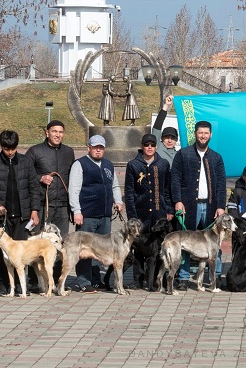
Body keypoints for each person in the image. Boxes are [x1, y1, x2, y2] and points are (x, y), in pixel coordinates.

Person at [0, 130, 42, 295]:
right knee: (2, 252)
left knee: (20, 251)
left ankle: (20, 284)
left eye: (13, 148)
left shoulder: (26, 162)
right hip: (1, 216)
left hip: (22, 216)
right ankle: (3, 283)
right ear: (1, 146)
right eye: (7, 149)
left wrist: (34, 210)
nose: (10, 152)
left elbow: (34, 188)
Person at [170, 121, 227, 289]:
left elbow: (221, 184)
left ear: (210, 135)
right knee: (187, 243)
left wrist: (220, 206)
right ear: (195, 134)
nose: (203, 136)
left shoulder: (216, 157)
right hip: (188, 206)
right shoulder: (183, 154)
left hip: (210, 207)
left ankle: (216, 276)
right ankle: (183, 277)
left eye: (206, 133)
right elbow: (175, 179)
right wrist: (178, 201)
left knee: (214, 244)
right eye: (200, 133)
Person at [67, 134, 124, 291]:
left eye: (101, 147)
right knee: (84, 250)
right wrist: (76, 211)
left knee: (100, 250)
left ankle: (95, 279)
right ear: (89, 148)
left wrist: (118, 201)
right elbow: (74, 189)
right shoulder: (80, 164)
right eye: (95, 147)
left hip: (105, 215)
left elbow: (114, 186)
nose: (98, 150)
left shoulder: (108, 165)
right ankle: (84, 281)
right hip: (87, 215)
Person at [26, 119, 75, 236]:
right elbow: (24, 174)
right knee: (40, 240)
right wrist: (40, 178)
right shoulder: (35, 151)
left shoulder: (69, 152)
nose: (58, 135)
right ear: (47, 133)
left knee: (60, 240)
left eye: (61, 132)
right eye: (54, 131)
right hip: (42, 205)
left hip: (63, 206)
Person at [125, 133, 172, 229]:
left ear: (156, 146)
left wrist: (169, 210)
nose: (150, 147)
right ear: (142, 146)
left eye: (153, 145)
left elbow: (167, 189)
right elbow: (129, 192)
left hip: (160, 213)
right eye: (146, 145)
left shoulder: (163, 164)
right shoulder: (133, 165)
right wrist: (132, 216)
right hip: (140, 213)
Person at [151, 94, 179, 165]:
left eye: (172, 138)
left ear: (176, 140)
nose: (169, 141)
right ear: (161, 138)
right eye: (167, 137)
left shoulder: (179, 155)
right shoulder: (157, 146)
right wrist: (166, 106)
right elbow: (157, 126)